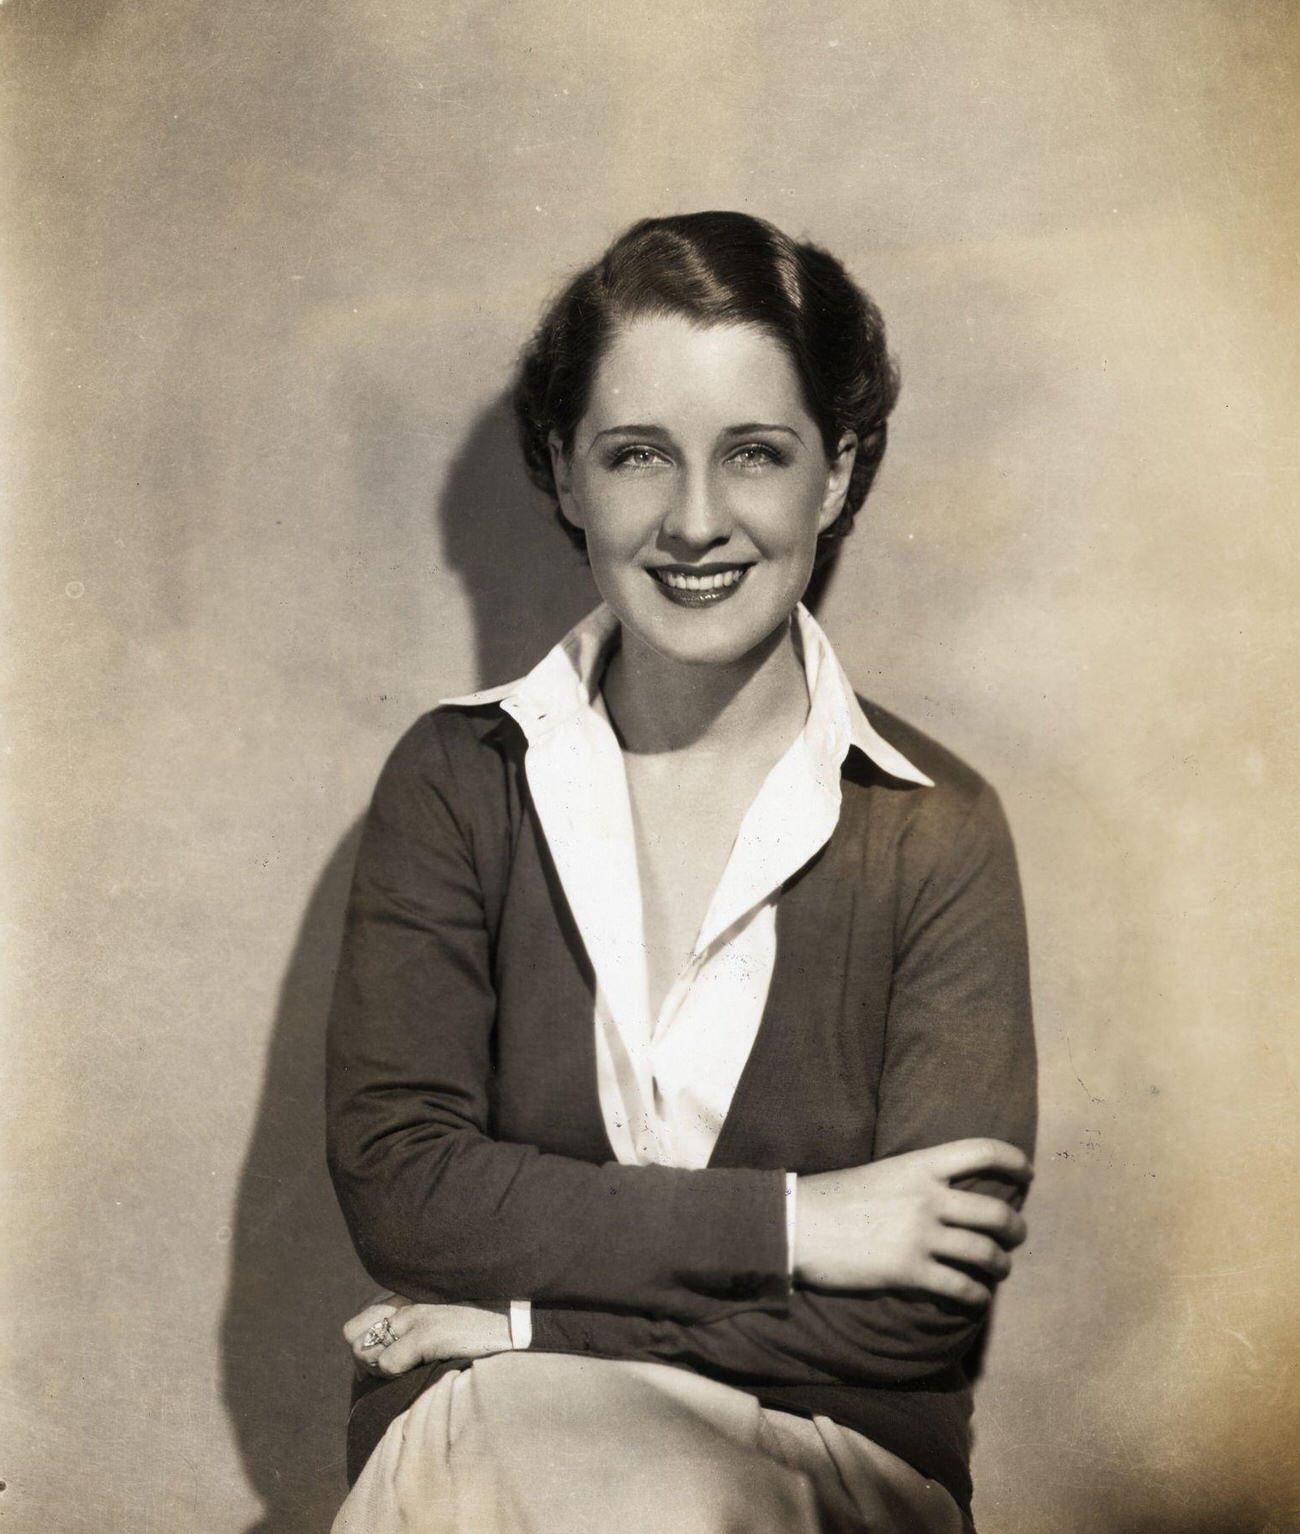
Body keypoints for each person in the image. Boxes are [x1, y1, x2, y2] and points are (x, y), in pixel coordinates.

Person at [324, 211, 1037, 1534]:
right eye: (639, 454)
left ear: (835, 475)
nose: (695, 520)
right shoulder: (455, 782)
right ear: (565, 471)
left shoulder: (936, 829)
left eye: (755, 454)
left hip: (823, 1458)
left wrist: (527, 1317)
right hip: (491, 1443)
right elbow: (404, 1185)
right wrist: (792, 1224)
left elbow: (908, 1315)